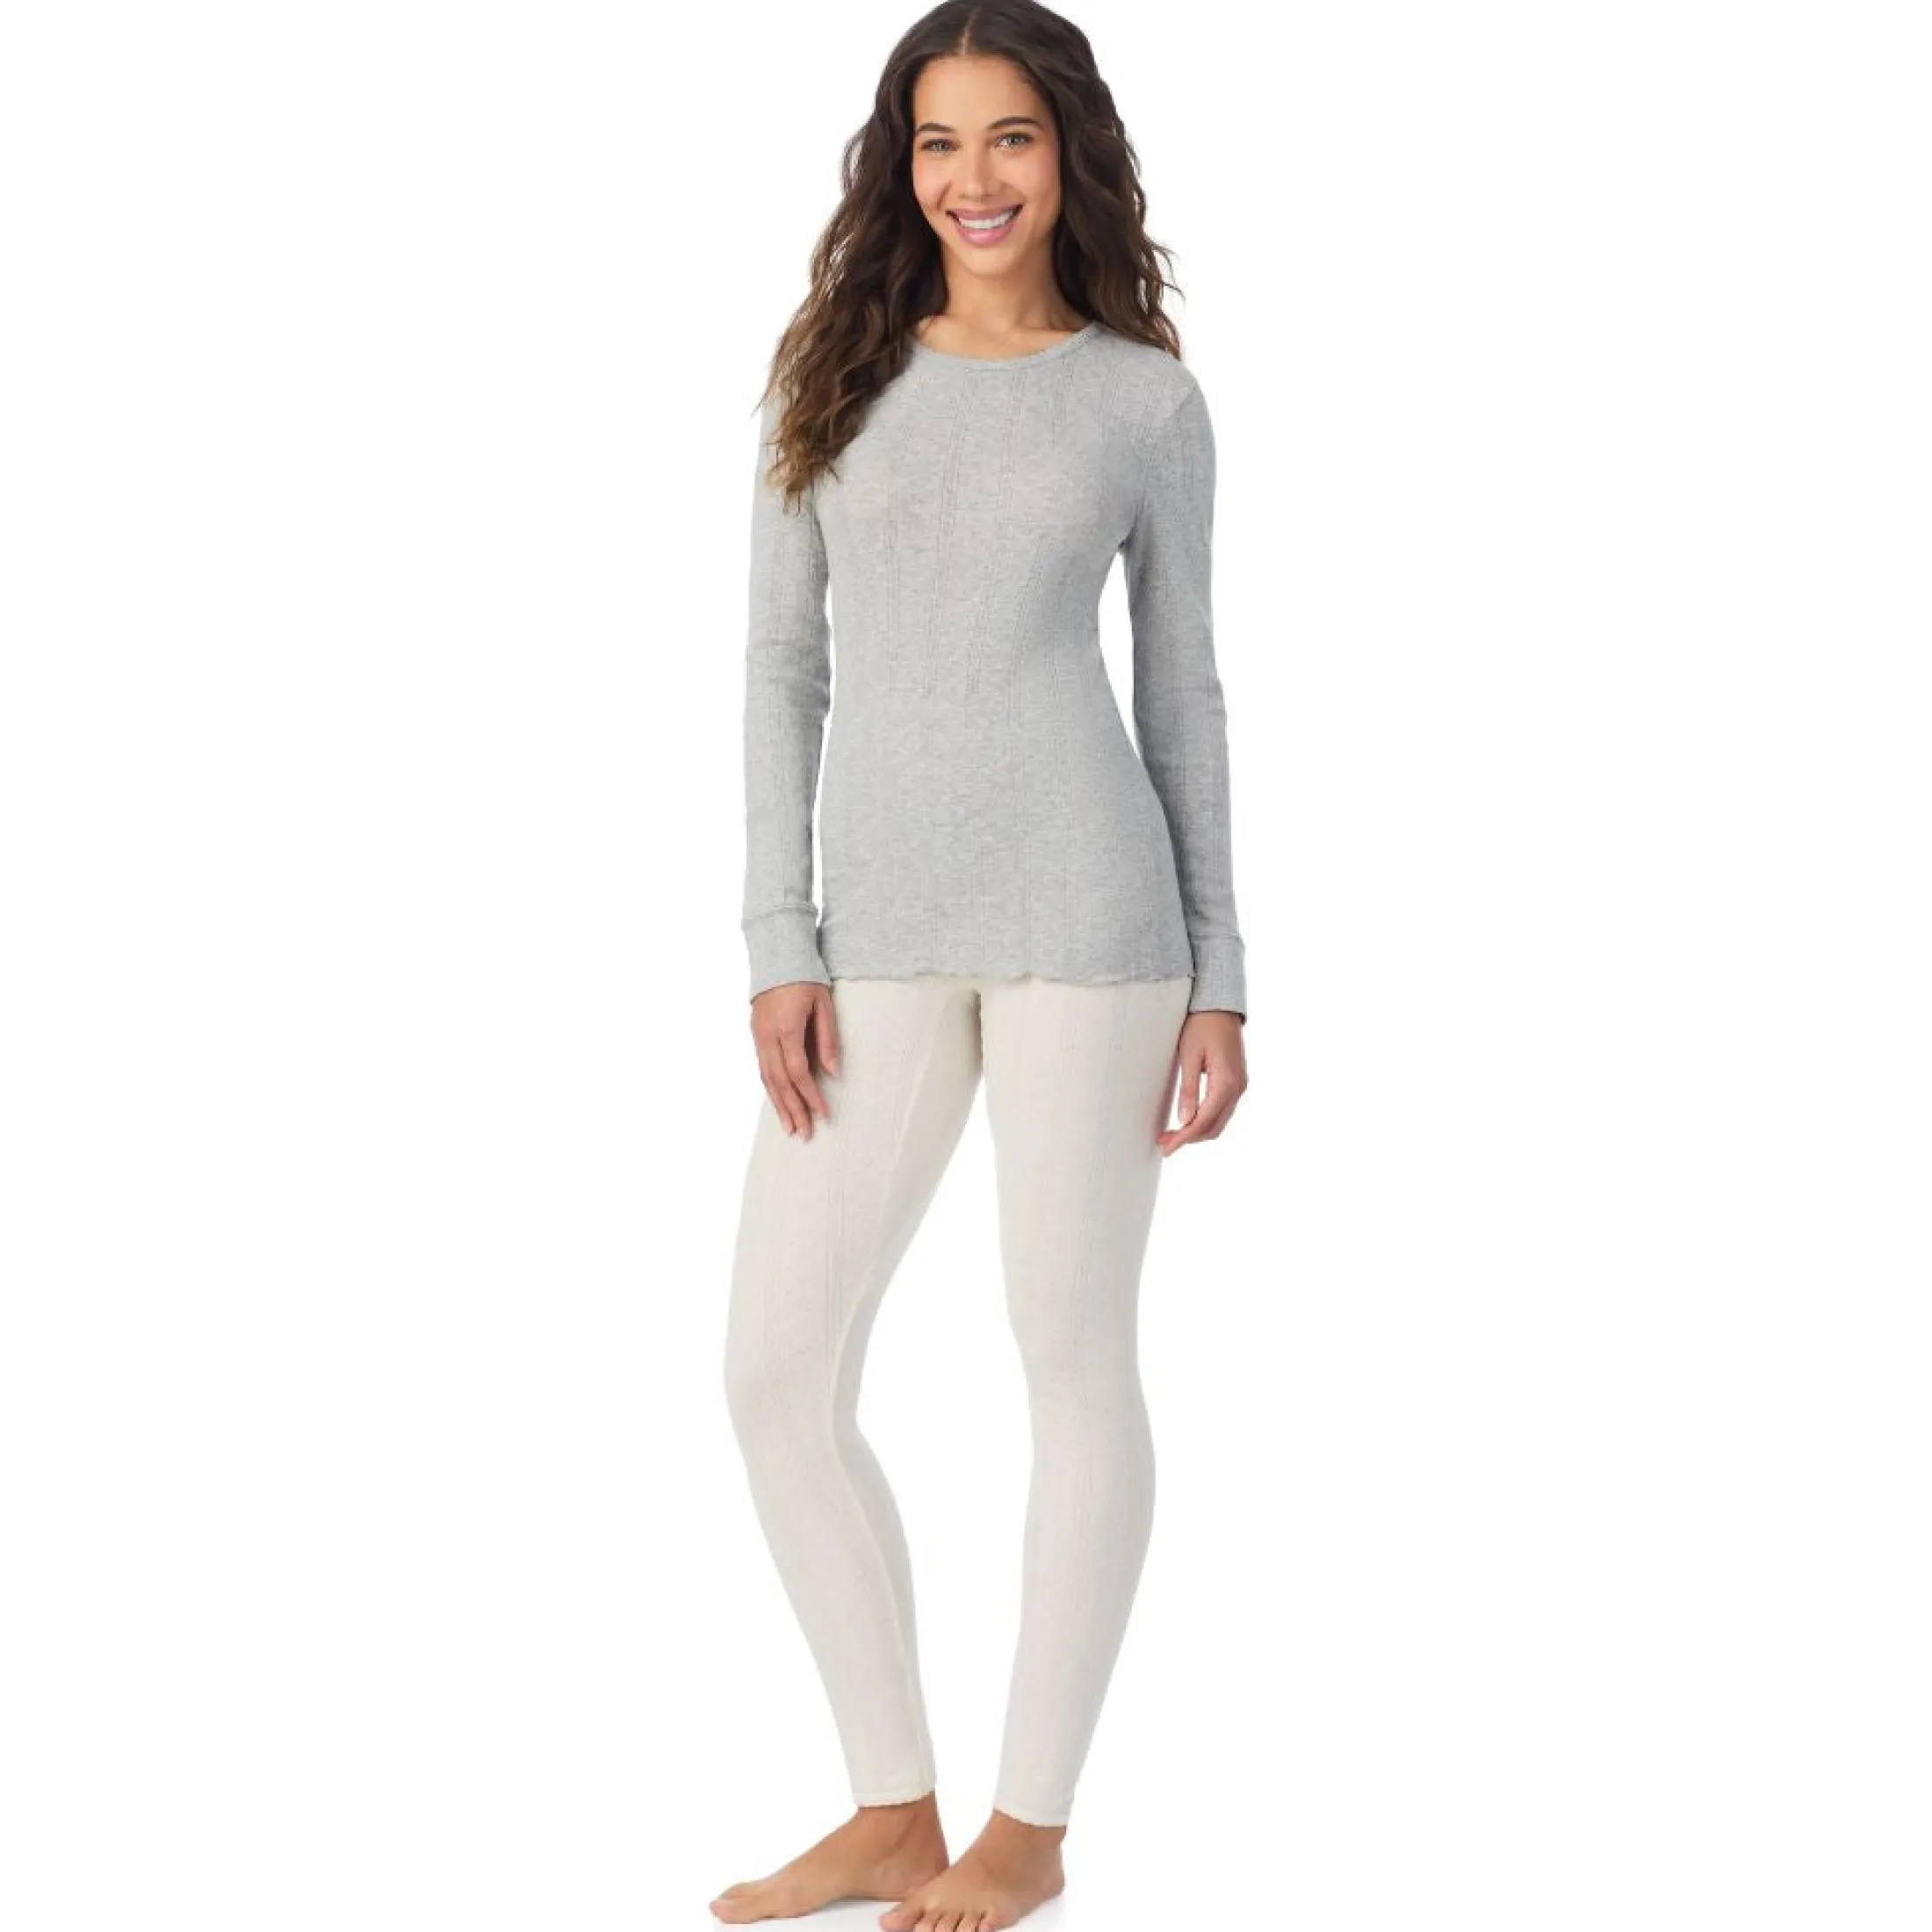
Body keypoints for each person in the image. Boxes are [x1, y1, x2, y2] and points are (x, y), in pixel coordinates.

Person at [715, 4, 1249, 1925]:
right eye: (938, 142)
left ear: (1067, 150)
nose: (974, 179)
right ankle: (891, 1805)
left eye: (1009, 136)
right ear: (900, 165)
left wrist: (1220, 970)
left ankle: (1028, 1824)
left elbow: (1180, 691)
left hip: (1095, 929)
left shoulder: (1142, 404)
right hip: (872, 934)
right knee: (775, 1370)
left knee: (1068, 1354)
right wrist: (777, 937)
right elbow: (782, 672)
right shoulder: (831, 376)